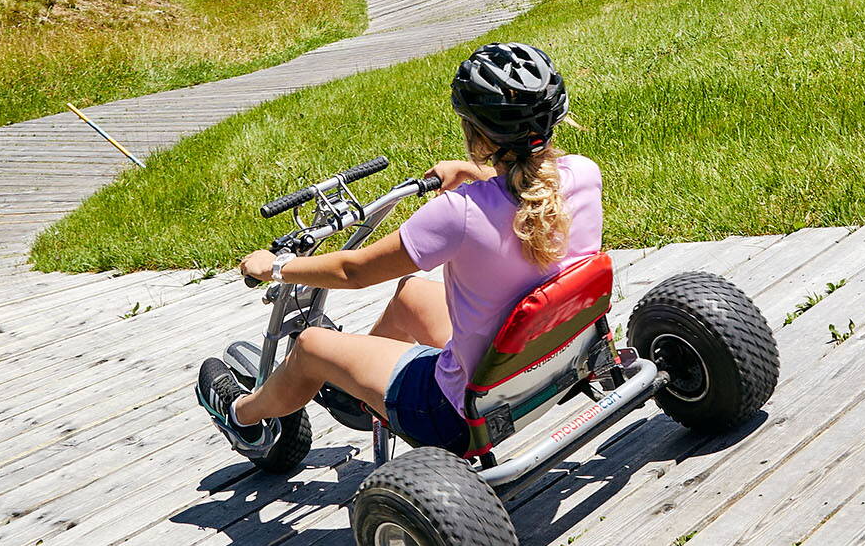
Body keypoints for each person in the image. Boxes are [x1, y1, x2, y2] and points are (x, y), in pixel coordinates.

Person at [197, 42, 603, 454]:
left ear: (474, 131)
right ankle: (360, 393)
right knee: (411, 294)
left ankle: (242, 417)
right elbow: (528, 180)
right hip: (559, 358)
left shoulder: (458, 213)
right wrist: (473, 172)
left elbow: (351, 272)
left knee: (309, 345)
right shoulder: (583, 174)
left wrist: (276, 267)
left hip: (457, 411)